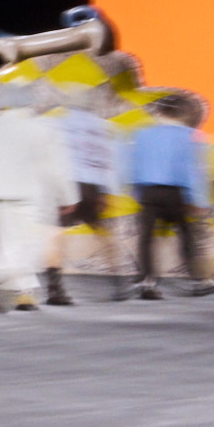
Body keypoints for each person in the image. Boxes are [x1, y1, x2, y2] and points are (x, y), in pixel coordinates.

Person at [0, 77, 78, 311]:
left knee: (12, 243)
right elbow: (57, 167)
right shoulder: (43, 127)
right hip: (32, 194)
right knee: (27, 246)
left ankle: (24, 295)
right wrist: (67, 197)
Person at [126, 95, 213, 299]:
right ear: (182, 113)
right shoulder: (191, 136)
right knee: (186, 235)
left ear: (159, 113)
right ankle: (199, 280)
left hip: (148, 192)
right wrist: (199, 200)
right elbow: (193, 170)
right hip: (176, 194)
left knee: (146, 239)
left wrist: (137, 193)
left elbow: (134, 166)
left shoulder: (142, 134)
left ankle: (147, 282)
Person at [50, 89, 125, 300]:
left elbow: (55, 158)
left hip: (67, 184)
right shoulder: (101, 126)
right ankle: (118, 281)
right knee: (103, 234)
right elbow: (107, 160)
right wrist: (106, 192)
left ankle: (55, 287)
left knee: (55, 234)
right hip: (92, 186)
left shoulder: (58, 123)